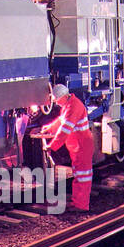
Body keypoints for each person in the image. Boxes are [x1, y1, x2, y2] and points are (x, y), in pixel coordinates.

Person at [40, 82, 93, 211]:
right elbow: (61, 120)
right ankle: (78, 202)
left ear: (63, 96)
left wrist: (52, 146)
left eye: (57, 100)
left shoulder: (73, 106)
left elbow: (65, 129)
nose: (56, 103)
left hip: (81, 146)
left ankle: (81, 205)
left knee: (82, 176)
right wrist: (49, 128)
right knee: (79, 175)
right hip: (78, 146)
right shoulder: (70, 104)